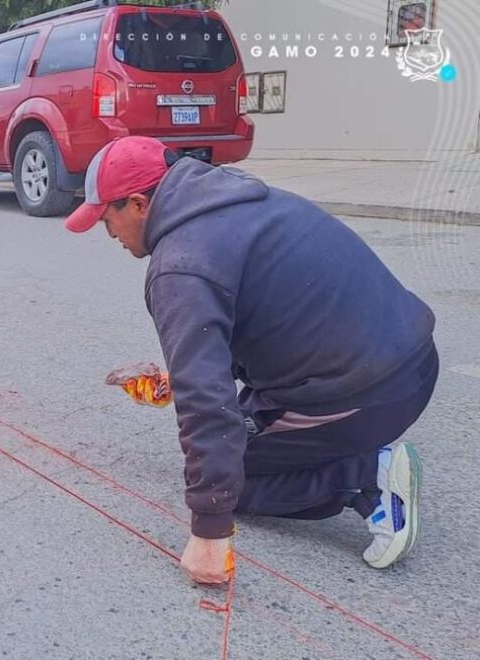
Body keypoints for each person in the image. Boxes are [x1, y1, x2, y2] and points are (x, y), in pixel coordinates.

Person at [65, 136, 438, 585]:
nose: (110, 236)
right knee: (232, 439)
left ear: (140, 204)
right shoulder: (240, 197)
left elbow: (207, 405)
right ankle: (349, 452)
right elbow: (276, 319)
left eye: (108, 219)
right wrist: (180, 375)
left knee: (223, 477)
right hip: (412, 358)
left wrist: (209, 530)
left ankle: (366, 478)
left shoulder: (180, 266)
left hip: (367, 393)